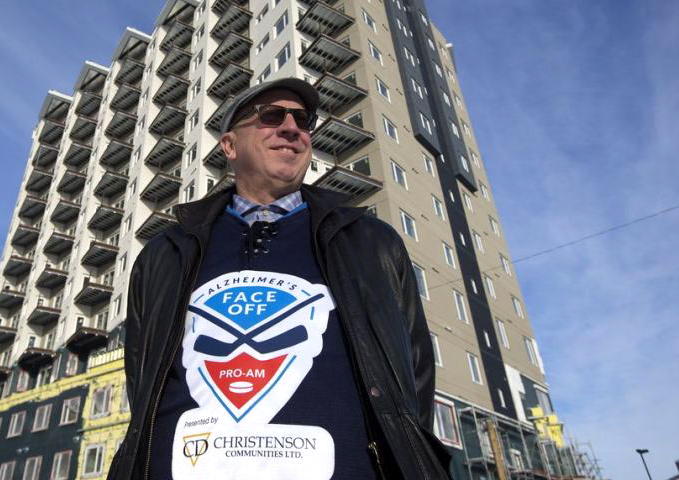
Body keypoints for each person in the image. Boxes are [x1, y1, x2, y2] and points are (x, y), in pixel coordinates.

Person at [107, 78, 452, 480]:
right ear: (230, 146)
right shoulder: (165, 254)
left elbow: (413, 376)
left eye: (302, 121)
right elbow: (142, 376)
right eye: (271, 117)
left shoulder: (371, 243)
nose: (291, 128)